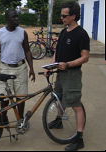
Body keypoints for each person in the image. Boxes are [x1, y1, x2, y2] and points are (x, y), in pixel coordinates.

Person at [44, 1, 90, 151]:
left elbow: (85, 57)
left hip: (72, 74)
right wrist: (50, 66)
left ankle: (79, 138)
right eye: (61, 15)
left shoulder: (81, 34)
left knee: (75, 105)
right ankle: (59, 120)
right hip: (60, 73)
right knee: (59, 97)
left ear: (73, 16)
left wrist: (68, 64)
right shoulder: (64, 32)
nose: (61, 18)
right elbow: (57, 52)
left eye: (64, 16)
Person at [0, 9, 35, 124]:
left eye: (17, 17)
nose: (17, 19)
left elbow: (27, 51)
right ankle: (3, 118)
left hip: (20, 68)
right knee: (3, 96)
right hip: (5, 68)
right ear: (7, 20)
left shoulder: (22, 32)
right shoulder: (0, 33)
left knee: (21, 96)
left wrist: (31, 68)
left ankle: (20, 120)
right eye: (13, 17)